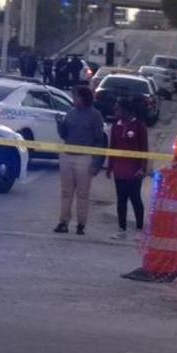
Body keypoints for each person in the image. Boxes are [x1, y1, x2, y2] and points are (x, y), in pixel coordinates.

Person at [55, 86, 106, 235]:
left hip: (85, 158)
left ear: (83, 98)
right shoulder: (70, 113)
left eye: (76, 96)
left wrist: (97, 162)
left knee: (82, 193)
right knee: (66, 192)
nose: (74, 99)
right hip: (67, 155)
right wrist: (59, 124)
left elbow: (99, 139)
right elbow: (64, 135)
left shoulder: (95, 115)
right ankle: (63, 221)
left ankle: (81, 224)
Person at [105, 98, 149, 240]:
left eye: (117, 109)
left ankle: (139, 229)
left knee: (135, 199)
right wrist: (110, 167)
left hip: (134, 171)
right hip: (120, 170)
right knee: (121, 200)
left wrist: (142, 168)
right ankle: (121, 229)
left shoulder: (139, 126)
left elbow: (144, 149)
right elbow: (113, 148)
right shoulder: (116, 127)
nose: (115, 111)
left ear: (126, 110)